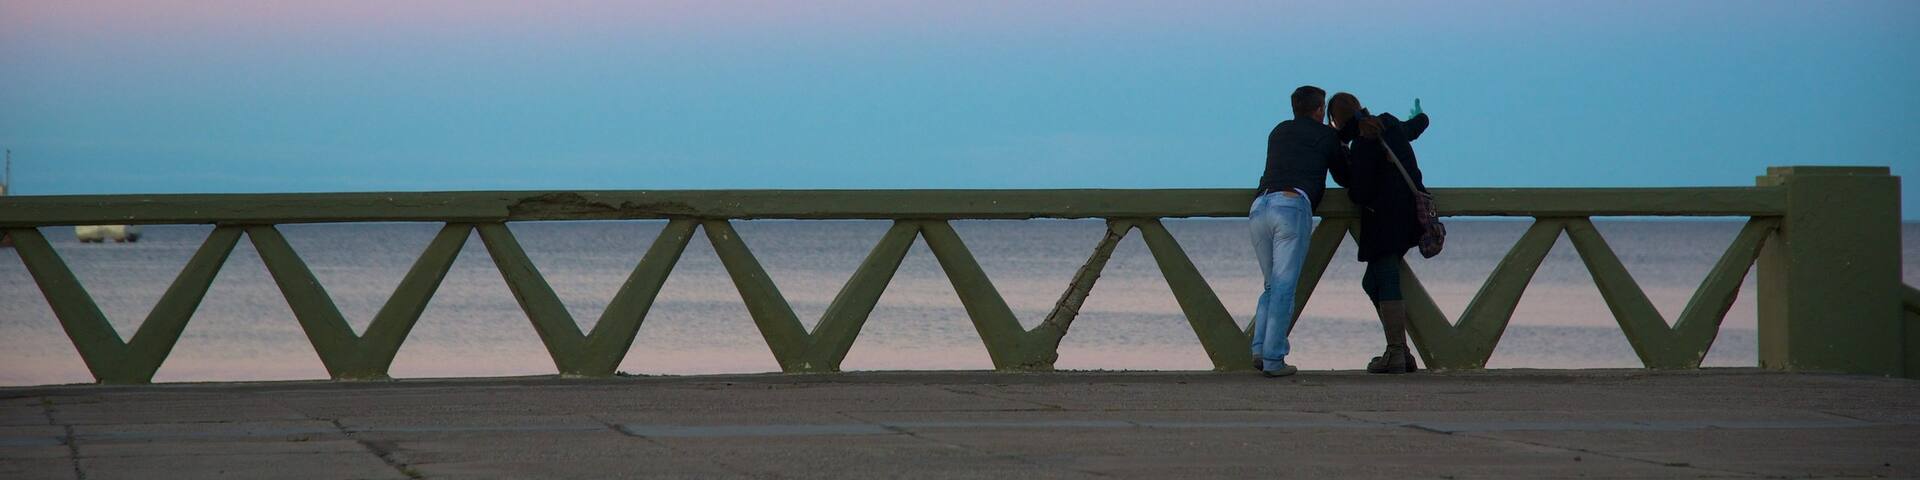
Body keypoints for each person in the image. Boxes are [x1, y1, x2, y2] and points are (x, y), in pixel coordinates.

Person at [1249, 85, 1352, 377]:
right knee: (1284, 286)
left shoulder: (1278, 131)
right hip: (1291, 205)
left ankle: (1259, 348)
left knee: (1271, 286)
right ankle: (1273, 359)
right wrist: (1343, 143)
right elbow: (1345, 177)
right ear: (1320, 110)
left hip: (1259, 206)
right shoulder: (1327, 135)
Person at [1328, 92, 1429, 374]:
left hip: (1385, 221)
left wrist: (1343, 155)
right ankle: (1401, 352)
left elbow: (1359, 193)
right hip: (1410, 216)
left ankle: (1396, 353)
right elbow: (1415, 128)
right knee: (1372, 283)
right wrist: (1421, 115)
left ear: (1337, 121)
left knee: (1384, 278)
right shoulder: (1390, 123)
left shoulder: (1362, 142)